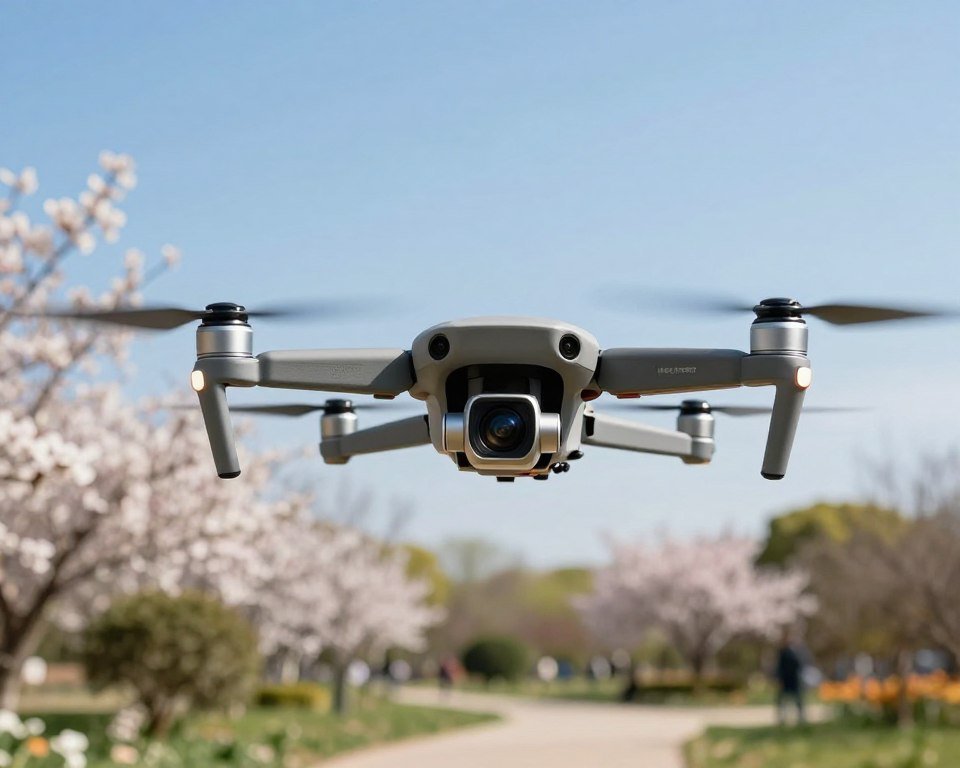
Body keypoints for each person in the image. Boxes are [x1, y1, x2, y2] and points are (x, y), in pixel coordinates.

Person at [774, 630, 806, 725]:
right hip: (785, 680)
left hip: (794, 680)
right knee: (783, 701)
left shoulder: (797, 652)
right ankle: (782, 719)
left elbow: (799, 665)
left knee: (798, 700)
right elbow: (779, 667)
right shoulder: (783, 652)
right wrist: (779, 679)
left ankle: (801, 718)